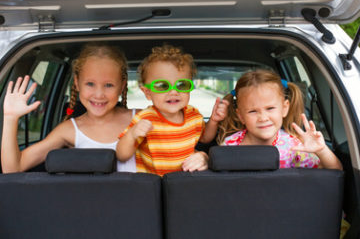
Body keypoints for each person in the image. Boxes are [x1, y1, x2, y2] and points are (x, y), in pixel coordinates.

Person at [1, 42, 136, 173]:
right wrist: (10, 118)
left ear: (122, 86)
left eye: (108, 85)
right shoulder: (69, 130)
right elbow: (14, 168)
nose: (99, 94)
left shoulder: (143, 119)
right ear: (77, 83)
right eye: (90, 84)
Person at [116, 44, 229, 176]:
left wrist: (214, 121)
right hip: (154, 185)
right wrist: (131, 134)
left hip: (183, 181)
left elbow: (204, 138)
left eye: (182, 85)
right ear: (147, 93)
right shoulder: (145, 118)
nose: (174, 92)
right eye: (162, 85)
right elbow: (122, 156)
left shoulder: (192, 114)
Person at [217, 69, 342, 170]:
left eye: (270, 108)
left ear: (284, 108)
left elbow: (334, 171)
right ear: (241, 116)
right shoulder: (229, 146)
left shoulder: (295, 148)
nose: (263, 118)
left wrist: (322, 150)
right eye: (253, 111)